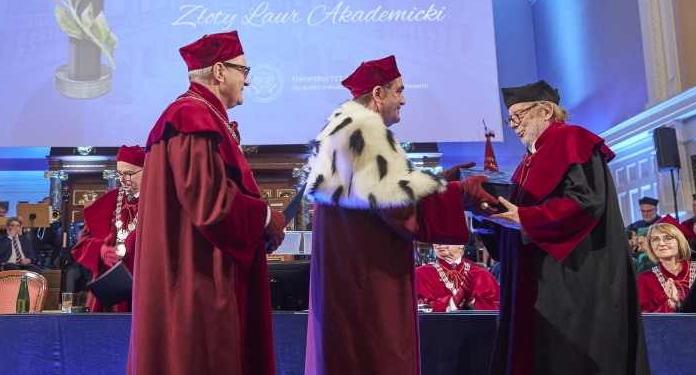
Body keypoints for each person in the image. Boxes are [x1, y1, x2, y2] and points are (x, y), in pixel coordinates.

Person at [302, 55, 496, 375]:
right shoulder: (365, 138)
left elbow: (384, 195)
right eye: (399, 91)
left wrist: (439, 182)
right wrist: (460, 192)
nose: (403, 100)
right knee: (373, 359)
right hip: (368, 284)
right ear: (378, 94)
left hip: (350, 278)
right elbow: (401, 209)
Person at [128, 31, 286, 375]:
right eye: (243, 71)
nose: (248, 80)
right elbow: (209, 203)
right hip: (197, 277)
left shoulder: (198, 114)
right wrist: (265, 217)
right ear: (218, 71)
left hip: (194, 270)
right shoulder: (191, 116)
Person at [482, 80, 649, 375]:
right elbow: (516, 219)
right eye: (511, 119)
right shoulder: (527, 163)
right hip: (535, 279)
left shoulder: (572, 139)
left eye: (519, 115)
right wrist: (487, 220)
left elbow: (586, 202)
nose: (514, 125)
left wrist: (526, 218)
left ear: (546, 111)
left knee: (565, 359)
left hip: (572, 274)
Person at [71, 145, 145, 312]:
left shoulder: (157, 202)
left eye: (129, 174)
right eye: (120, 173)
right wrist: (100, 250)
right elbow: (81, 245)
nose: (123, 179)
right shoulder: (108, 201)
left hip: (143, 281)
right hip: (108, 282)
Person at [637, 223, 696, 312]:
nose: (661, 243)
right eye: (655, 239)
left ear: (679, 242)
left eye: (668, 238)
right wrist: (671, 304)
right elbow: (645, 319)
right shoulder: (643, 280)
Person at [416, 243, 499, 311]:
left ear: (461, 244)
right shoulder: (420, 274)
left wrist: (472, 301)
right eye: (436, 238)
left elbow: (499, 310)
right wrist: (453, 301)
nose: (439, 243)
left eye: (445, 238)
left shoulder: (483, 275)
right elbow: (417, 310)